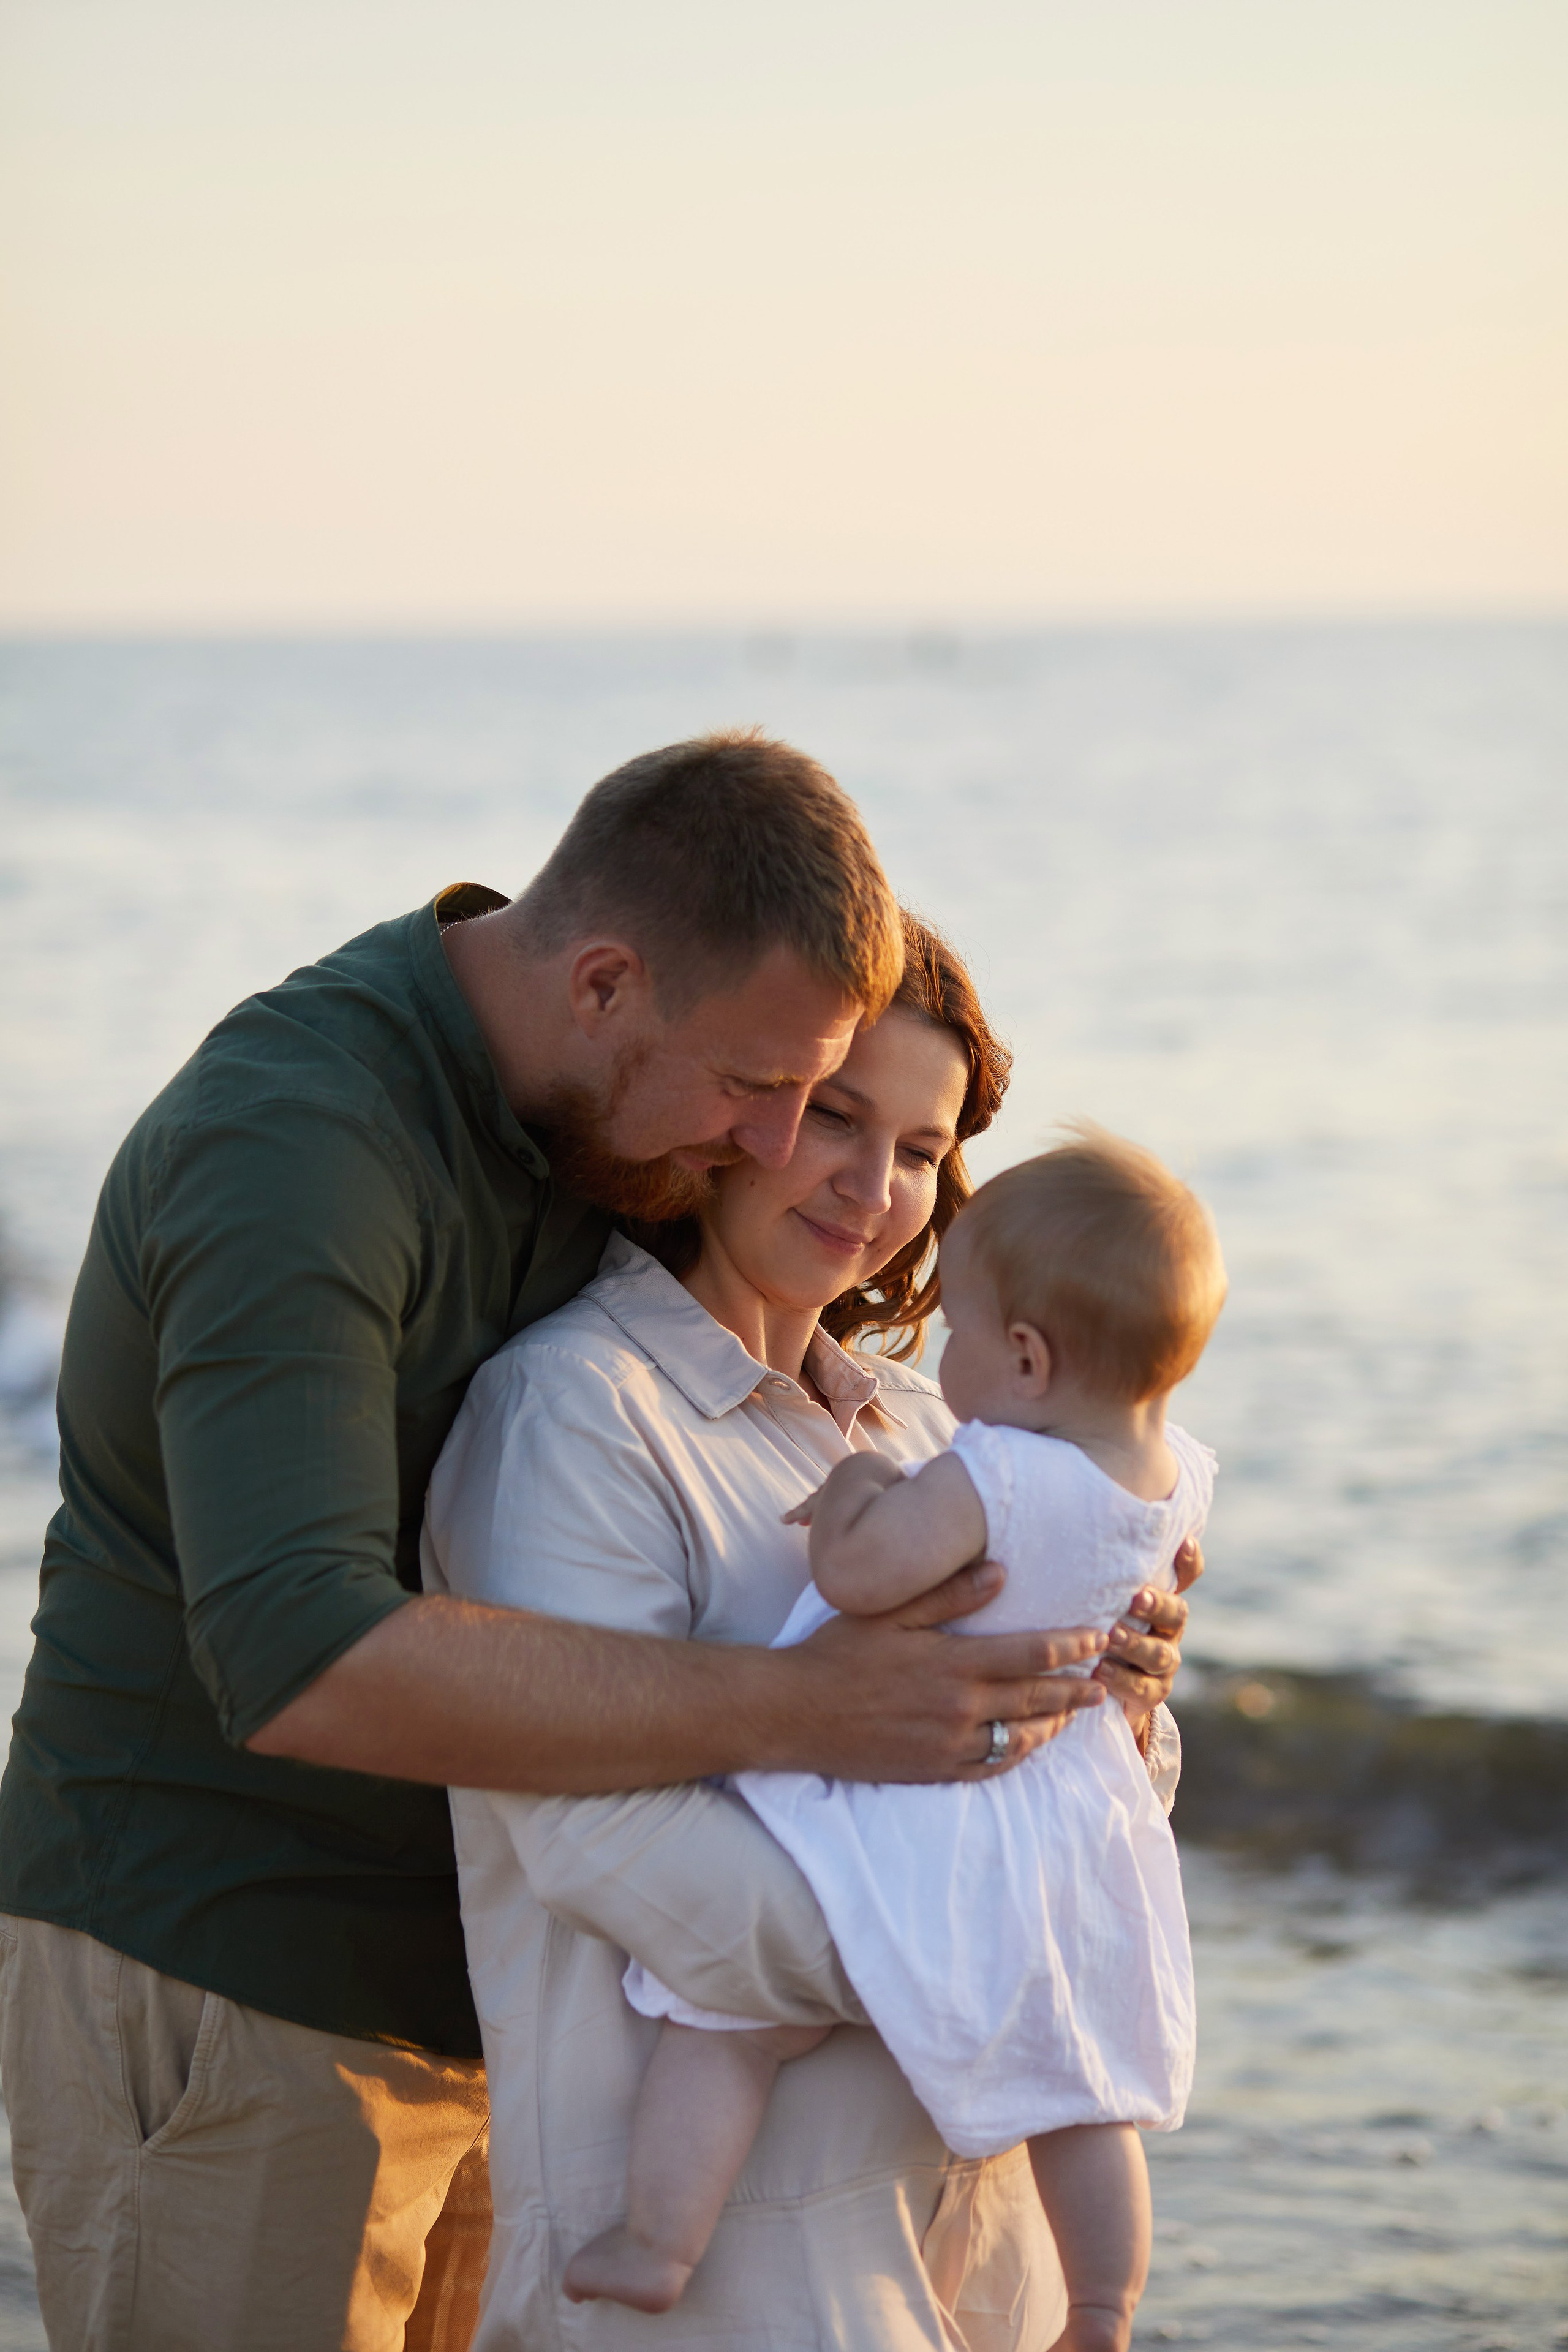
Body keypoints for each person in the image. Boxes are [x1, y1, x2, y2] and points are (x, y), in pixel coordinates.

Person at [0, 737, 1191, 2352]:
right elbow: (298, 1655)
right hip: (240, 1957)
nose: (778, 1149)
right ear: (609, 985)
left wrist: (1088, 1683)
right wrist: (868, 1774)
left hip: (511, 1995)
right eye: (776, 1095)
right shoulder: (305, 1146)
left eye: (888, 1126)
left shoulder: (624, 1149)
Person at [423, 925, 1200, 2350]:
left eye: (918, 1147)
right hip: (733, 2281)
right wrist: (990, 1954)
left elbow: (1089, 1815)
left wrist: (1123, 1707)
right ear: (737, 1105)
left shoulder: (940, 1430)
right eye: (834, 1115)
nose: (873, 1184)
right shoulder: (576, 1414)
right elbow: (604, 1846)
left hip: (980, 2253)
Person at [577, 1134, 1224, 2352]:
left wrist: (864, 1487)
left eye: (960, 1331)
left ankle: (657, 2240)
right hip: (1061, 1822)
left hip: (917, 1808)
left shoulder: (991, 1469)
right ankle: (1101, 2307)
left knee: (730, 2020)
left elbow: (865, 1576)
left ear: (1024, 1359)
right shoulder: (1176, 1474)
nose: (936, 1354)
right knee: (1084, 2093)